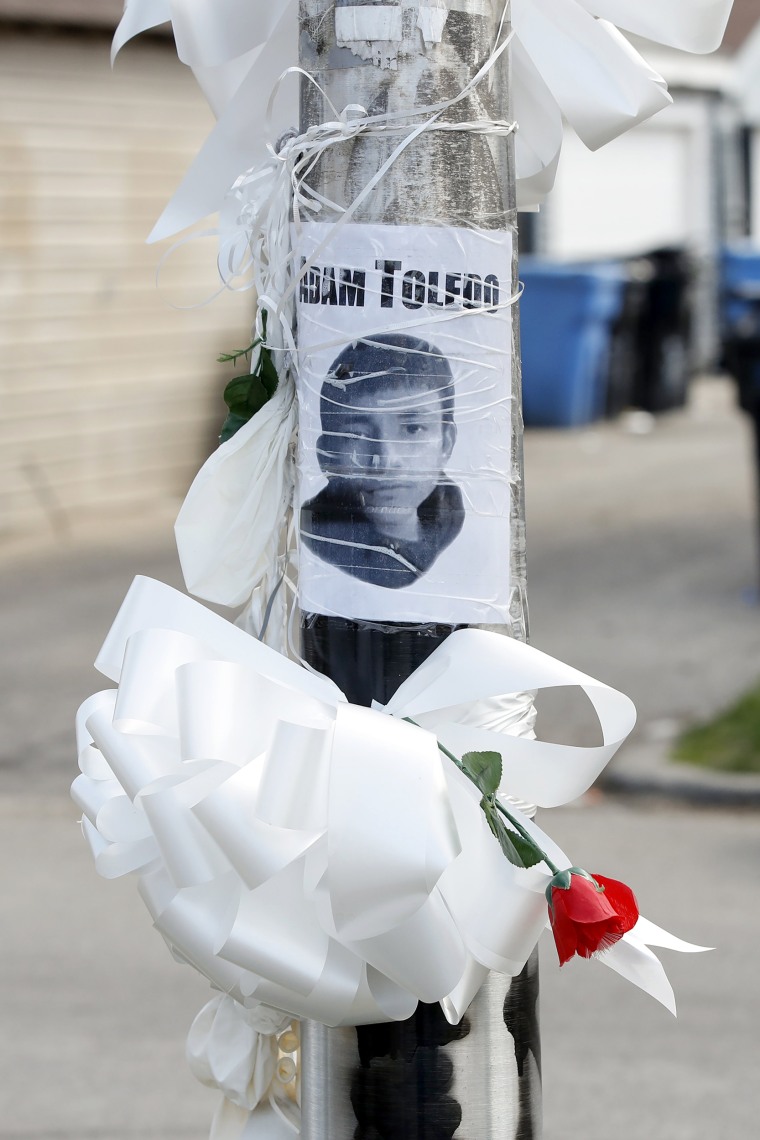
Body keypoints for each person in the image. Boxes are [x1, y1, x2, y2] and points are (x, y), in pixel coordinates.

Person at [300, 332, 464, 589]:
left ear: (446, 443)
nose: (387, 460)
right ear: (326, 455)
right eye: (356, 434)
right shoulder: (318, 542)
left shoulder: (458, 528)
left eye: (412, 429)